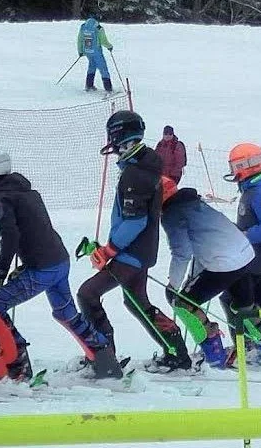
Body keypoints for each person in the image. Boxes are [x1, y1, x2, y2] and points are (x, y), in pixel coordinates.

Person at [0, 148, 119, 382]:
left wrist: (0, 270)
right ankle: (105, 360)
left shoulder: (1, 198)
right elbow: (32, 230)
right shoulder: (27, 191)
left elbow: (11, 236)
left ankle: (17, 368)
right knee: (65, 313)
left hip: (43, 268)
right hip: (57, 261)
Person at [74, 111, 193, 374]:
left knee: (88, 293)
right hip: (140, 251)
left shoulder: (135, 174)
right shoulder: (142, 167)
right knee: (137, 302)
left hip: (132, 253)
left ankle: (104, 357)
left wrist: (109, 249)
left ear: (120, 137)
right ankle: (177, 353)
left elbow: (134, 221)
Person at [158, 176, 261, 368]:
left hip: (224, 263)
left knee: (182, 303)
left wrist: (173, 285)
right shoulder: (196, 203)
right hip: (245, 254)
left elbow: (182, 253)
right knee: (242, 306)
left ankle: (213, 355)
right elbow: (204, 244)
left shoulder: (172, 214)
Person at [220, 143, 261, 363]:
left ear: (248, 165)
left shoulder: (260, 192)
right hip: (252, 255)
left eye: (237, 164)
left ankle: (253, 343)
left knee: (238, 300)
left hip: (259, 256)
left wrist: (243, 235)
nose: (234, 169)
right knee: (257, 301)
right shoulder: (252, 189)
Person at [77, 16, 114, 92]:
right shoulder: (98, 28)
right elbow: (103, 41)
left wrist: (80, 51)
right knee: (103, 69)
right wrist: (109, 46)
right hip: (96, 52)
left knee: (92, 66)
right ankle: (108, 88)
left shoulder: (83, 26)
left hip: (87, 51)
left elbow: (80, 39)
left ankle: (89, 85)